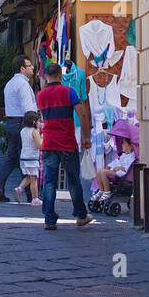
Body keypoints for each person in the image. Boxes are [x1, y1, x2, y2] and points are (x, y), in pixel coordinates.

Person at [37, 62, 93, 230]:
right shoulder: (69, 92)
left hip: (49, 142)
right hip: (67, 141)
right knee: (73, 179)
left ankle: (49, 218)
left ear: (46, 77)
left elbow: (43, 116)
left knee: (49, 181)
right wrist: (86, 137)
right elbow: (82, 114)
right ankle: (80, 215)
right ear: (61, 77)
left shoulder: (40, 95)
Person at [0, 54, 36, 205]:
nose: (32, 68)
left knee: (12, 158)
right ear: (22, 68)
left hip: (12, 122)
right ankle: (31, 194)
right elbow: (28, 108)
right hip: (22, 123)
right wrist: (34, 125)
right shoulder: (23, 84)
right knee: (27, 158)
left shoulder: (10, 83)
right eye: (30, 65)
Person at [14, 111, 42, 204]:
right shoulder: (34, 132)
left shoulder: (23, 131)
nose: (40, 123)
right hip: (32, 158)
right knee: (34, 179)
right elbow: (39, 145)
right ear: (34, 122)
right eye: (39, 121)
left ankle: (19, 189)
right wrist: (43, 137)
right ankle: (35, 199)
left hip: (24, 157)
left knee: (28, 177)